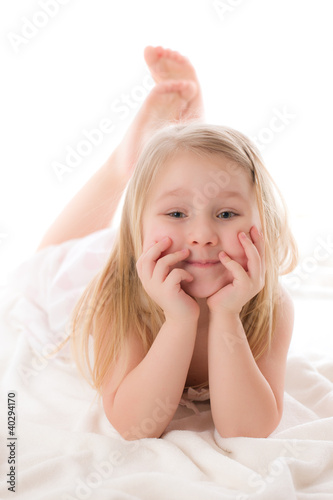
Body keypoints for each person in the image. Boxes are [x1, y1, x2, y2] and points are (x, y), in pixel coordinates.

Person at [37, 46, 298, 441]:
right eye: (177, 214)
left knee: (189, 186)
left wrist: (227, 315)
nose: (203, 235)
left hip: (166, 246)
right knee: (46, 260)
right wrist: (179, 320)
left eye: (227, 215)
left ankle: (180, 144)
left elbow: (247, 429)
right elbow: (133, 425)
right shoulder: (115, 297)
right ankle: (122, 167)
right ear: (139, 229)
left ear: (265, 223)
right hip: (104, 269)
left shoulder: (269, 305)